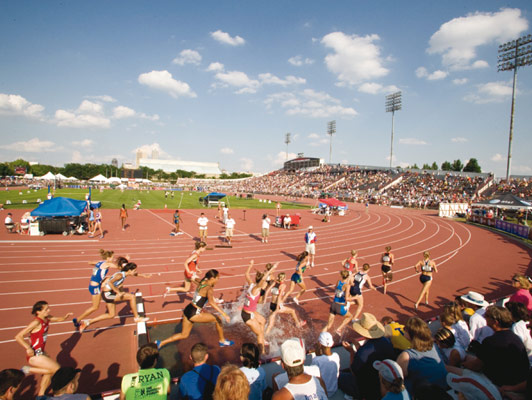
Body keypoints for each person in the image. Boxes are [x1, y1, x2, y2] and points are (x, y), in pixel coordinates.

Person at [156, 270, 234, 348]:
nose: (218, 280)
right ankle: (222, 341)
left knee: (184, 334)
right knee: (218, 319)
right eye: (217, 278)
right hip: (194, 313)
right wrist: (224, 314)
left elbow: (194, 279)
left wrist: (192, 276)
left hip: (188, 309)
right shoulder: (209, 289)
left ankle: (161, 343)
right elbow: (212, 303)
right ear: (212, 278)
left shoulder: (202, 281)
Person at [15, 301, 73, 397]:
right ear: (38, 312)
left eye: (48, 308)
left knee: (48, 372)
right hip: (34, 354)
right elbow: (18, 336)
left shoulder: (47, 318)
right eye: (46, 309)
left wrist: (65, 317)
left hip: (41, 352)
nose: (49, 310)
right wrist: (28, 348)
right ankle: (27, 369)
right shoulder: (36, 322)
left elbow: (58, 319)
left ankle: (41, 395)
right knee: (57, 369)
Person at [462, 305, 529, 388]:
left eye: (486, 316)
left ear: (495, 322)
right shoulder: (514, 337)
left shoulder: (491, 341)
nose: (484, 317)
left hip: (499, 383)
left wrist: (462, 365)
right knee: (467, 357)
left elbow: (476, 366)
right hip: (516, 379)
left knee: (454, 370)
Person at [79, 262, 149, 333]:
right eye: (134, 270)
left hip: (109, 293)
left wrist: (143, 275)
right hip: (107, 294)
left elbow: (135, 274)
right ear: (129, 270)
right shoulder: (119, 275)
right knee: (131, 297)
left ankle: (87, 322)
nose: (135, 272)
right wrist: (118, 292)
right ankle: (137, 318)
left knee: (111, 315)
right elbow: (109, 283)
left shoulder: (124, 274)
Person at [338, 313, 395, 400]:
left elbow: (353, 371)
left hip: (369, 388)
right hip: (383, 380)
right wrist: (358, 347)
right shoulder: (386, 341)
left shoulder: (364, 351)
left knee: (338, 376)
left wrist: (351, 352)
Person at [72, 249, 124, 328]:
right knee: (95, 307)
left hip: (93, 284)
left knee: (109, 279)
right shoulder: (107, 264)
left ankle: (78, 319)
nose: (113, 260)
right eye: (112, 258)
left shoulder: (100, 262)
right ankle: (78, 319)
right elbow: (118, 267)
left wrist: (98, 271)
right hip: (95, 287)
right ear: (108, 258)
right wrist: (125, 262)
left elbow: (90, 262)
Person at [396, 317, 448, 394]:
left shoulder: (406, 356)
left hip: (422, 394)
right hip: (441, 390)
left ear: (411, 334)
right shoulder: (434, 346)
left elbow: (396, 379)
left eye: (405, 328)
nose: (403, 330)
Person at [242, 260, 278, 354]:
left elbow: (247, 274)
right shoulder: (255, 289)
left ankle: (262, 339)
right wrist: (271, 270)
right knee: (259, 334)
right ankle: (262, 352)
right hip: (247, 315)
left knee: (263, 321)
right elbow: (263, 280)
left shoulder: (251, 284)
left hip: (251, 312)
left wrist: (251, 265)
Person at [265, 272, 306, 336]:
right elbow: (279, 296)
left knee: (270, 321)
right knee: (292, 311)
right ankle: (297, 324)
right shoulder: (283, 286)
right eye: (285, 277)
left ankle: (264, 330)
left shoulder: (274, 283)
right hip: (277, 305)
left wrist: (264, 299)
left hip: (272, 304)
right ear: (283, 278)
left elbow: (267, 291)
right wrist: (278, 307)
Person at [322, 270, 353, 335]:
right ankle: (339, 329)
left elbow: (337, 290)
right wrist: (355, 298)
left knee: (328, 325)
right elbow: (347, 298)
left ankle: (321, 336)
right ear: (348, 277)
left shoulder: (338, 282)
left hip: (333, 304)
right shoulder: (347, 286)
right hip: (339, 306)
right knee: (350, 316)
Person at [311, 332, 340, 397]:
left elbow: (313, 376)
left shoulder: (317, 360)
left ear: (320, 344)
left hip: (323, 393)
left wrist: (316, 356)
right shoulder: (336, 356)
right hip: (334, 390)